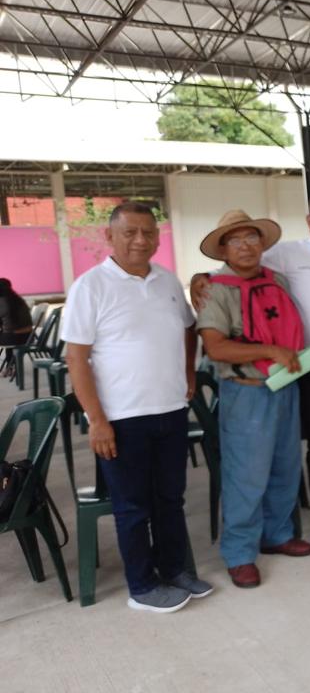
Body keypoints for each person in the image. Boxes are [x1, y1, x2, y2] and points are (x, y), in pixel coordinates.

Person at [192, 193, 310, 546]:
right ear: (309, 221)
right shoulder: (286, 254)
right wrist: (201, 277)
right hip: (307, 366)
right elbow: (233, 271)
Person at [62, 202, 209, 613]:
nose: (141, 240)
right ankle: (142, 587)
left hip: (171, 411)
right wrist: (97, 420)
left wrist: (188, 372)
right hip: (122, 418)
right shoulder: (90, 287)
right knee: (132, 507)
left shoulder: (166, 280)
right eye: (130, 232)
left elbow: (189, 328)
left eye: (148, 232)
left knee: (170, 499)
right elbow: (76, 358)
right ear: (109, 236)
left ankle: (175, 571)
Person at [196, 209, 310, 588]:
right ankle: (240, 553)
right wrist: (270, 351)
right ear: (223, 249)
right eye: (235, 240)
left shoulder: (276, 279)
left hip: (286, 385)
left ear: (262, 243)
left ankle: (277, 534)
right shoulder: (215, 289)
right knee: (246, 474)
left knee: (285, 466)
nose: (245, 246)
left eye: (251, 238)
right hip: (246, 392)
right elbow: (216, 347)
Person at [0, 278, 33, 378]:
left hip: (14, 338)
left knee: (7, 334)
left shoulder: (2, 302)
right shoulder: (18, 299)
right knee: (7, 333)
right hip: (28, 337)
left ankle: (9, 367)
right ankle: (10, 367)